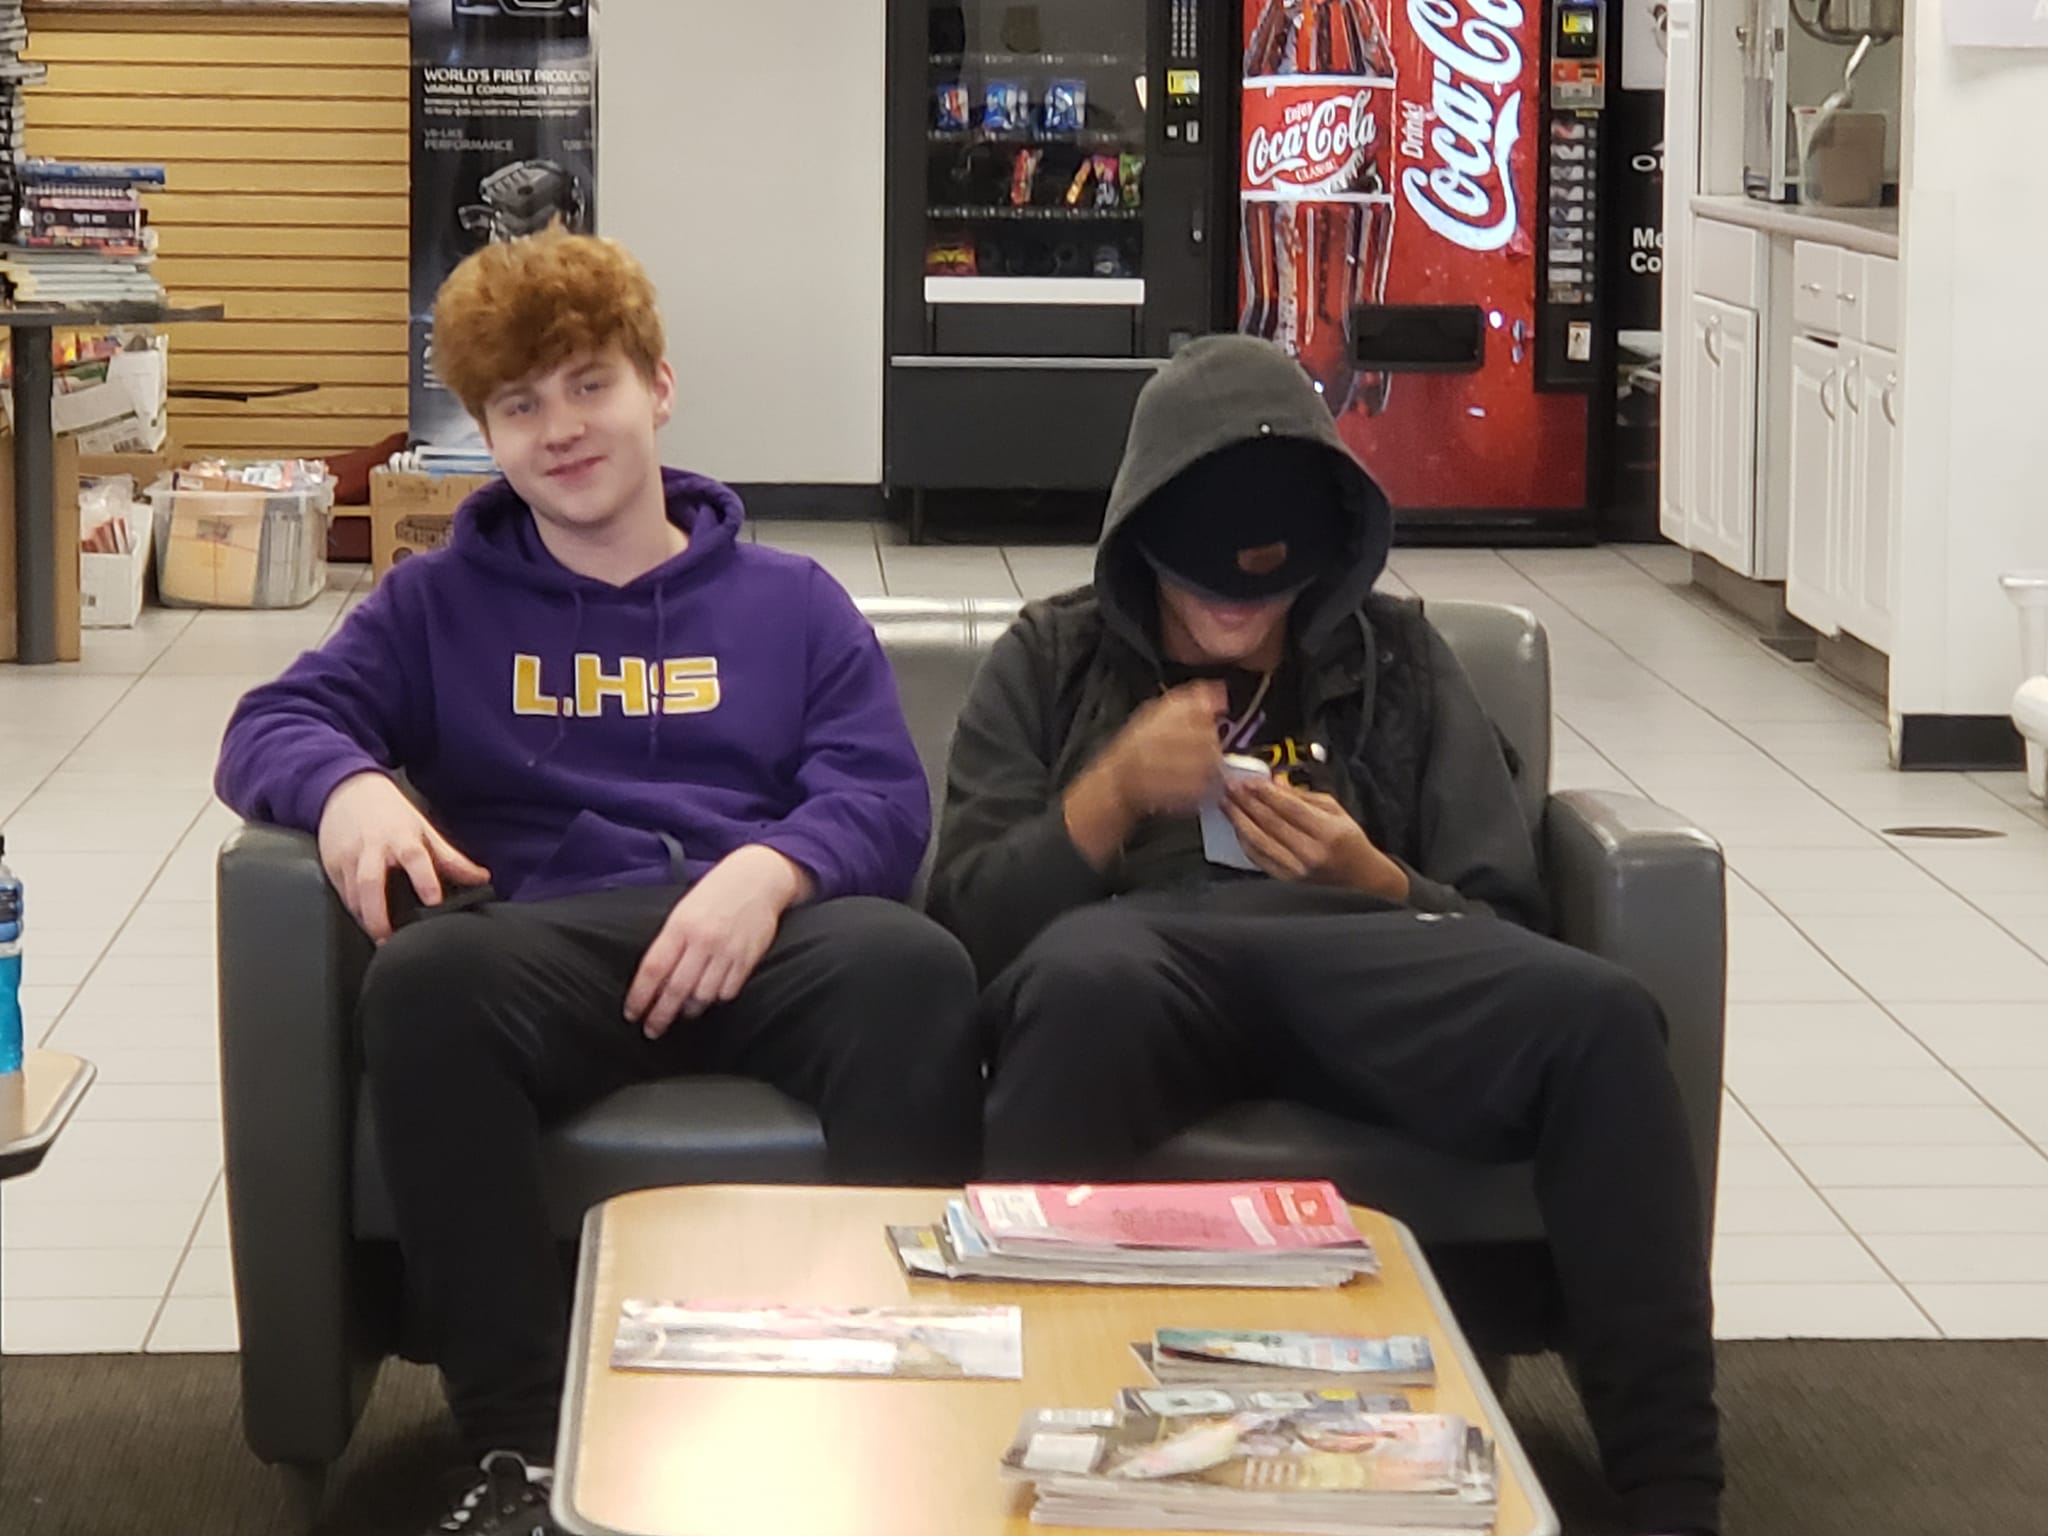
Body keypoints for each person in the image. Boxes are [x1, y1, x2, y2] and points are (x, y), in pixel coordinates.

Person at [215, 227, 981, 1536]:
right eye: (519, 405)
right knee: (426, 981)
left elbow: (882, 794)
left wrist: (772, 869)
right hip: (547, 950)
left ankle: (881, 1403)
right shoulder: (434, 604)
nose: (560, 429)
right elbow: (270, 724)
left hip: (752, 941)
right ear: (485, 435)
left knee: (912, 969)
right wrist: (344, 789)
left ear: (657, 388)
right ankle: (518, 1455)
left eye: (588, 385)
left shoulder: (792, 601)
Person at [927, 334, 1721, 1536]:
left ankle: (1672, 1495)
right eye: (1207, 575)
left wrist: (1377, 877)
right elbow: (968, 931)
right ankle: (1035, 1448)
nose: (1236, 602)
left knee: (1601, 1017)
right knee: (1079, 988)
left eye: (1266, 582)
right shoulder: (1053, 655)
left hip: (1366, 954)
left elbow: (1501, 920)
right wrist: (1110, 794)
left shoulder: (1398, 660)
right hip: (1141, 951)